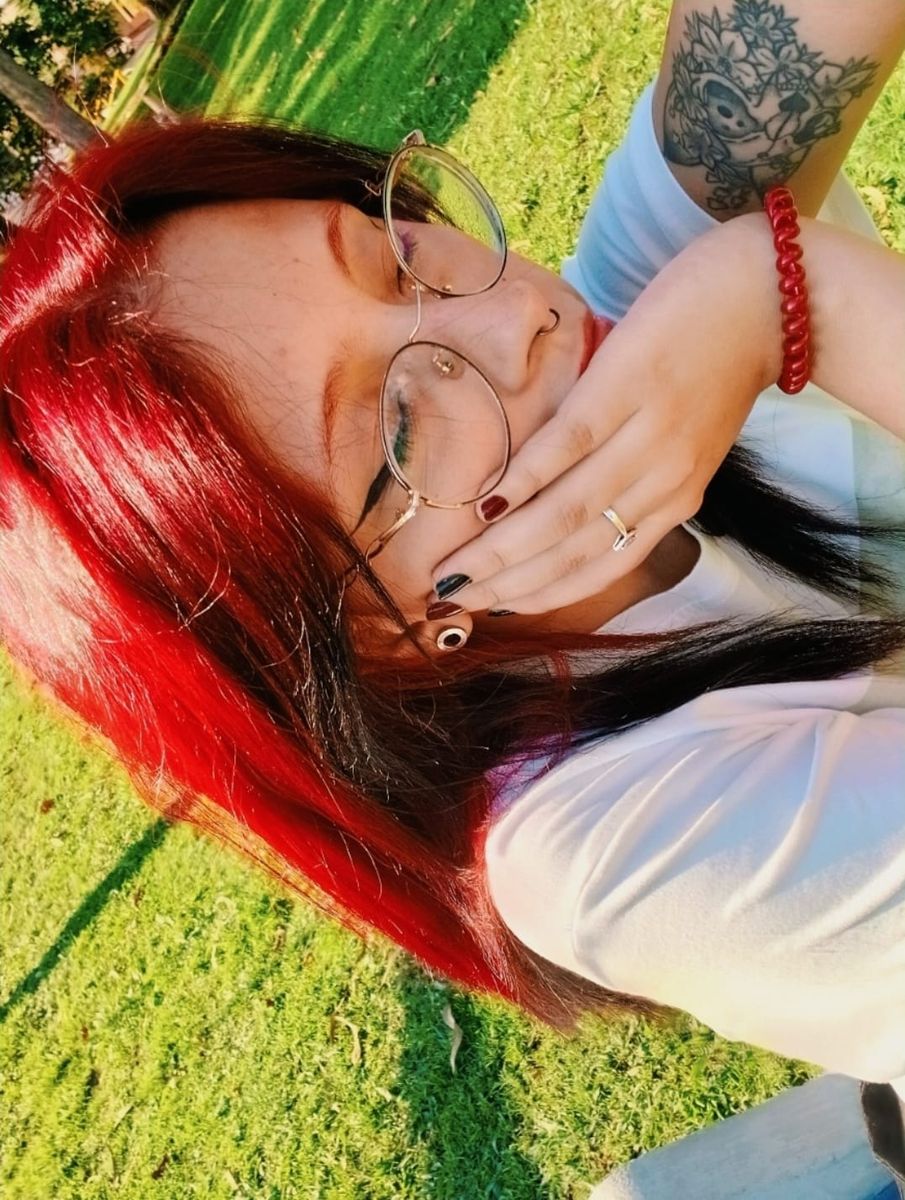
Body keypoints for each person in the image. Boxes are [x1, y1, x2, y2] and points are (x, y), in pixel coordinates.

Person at [1, 0, 903, 1186]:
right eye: (397, 434)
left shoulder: (640, 321)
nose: (515, 316)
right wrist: (797, 295)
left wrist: (739, 294)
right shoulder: (608, 852)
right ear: (370, 648)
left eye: (397, 255)